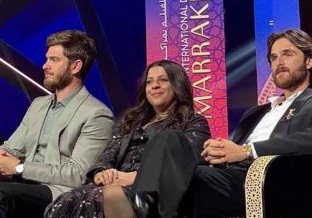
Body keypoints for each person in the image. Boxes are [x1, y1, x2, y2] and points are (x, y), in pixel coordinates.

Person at [44, 59, 211, 218]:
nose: (155, 86)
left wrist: (133, 178)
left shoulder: (193, 121)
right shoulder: (131, 120)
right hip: (116, 181)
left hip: (155, 192)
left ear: (177, 84)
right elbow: (107, 156)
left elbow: (187, 160)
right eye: (149, 82)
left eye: (163, 80)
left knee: (107, 196)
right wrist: (103, 173)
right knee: (67, 200)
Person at [0, 30, 114, 218]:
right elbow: (12, 148)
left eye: (54, 60)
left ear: (76, 66)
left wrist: (20, 168)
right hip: (23, 182)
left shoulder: (97, 114)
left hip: (57, 192)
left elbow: (77, 174)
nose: (45, 66)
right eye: (47, 59)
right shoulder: (39, 104)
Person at [189, 28, 312, 217]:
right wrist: (220, 153)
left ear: (309, 61)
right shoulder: (255, 113)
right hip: (231, 176)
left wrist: (247, 151)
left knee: (190, 177)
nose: (279, 62)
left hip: (273, 182)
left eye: (287, 54)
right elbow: (233, 152)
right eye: (273, 57)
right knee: (174, 148)